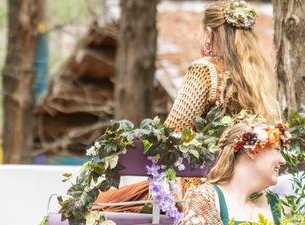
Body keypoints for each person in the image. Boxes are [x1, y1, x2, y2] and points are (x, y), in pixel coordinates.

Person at [95, 0, 281, 211]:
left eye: (200, 31)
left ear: (210, 34)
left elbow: (172, 133)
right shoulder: (256, 79)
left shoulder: (206, 70)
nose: (197, 37)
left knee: (101, 206)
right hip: (243, 186)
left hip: (197, 187)